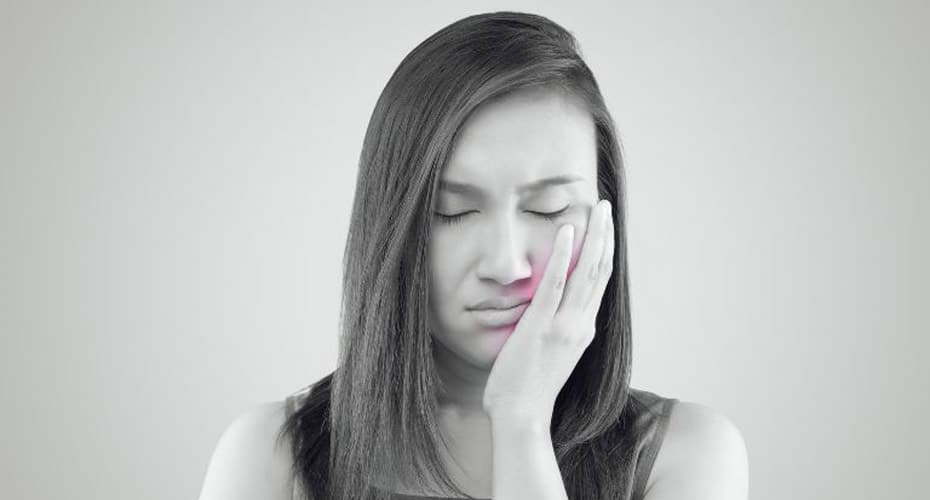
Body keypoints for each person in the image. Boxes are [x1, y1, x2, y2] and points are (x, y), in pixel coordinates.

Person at [198, 11, 748, 500]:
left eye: (549, 208)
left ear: (604, 221)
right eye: (453, 212)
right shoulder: (273, 457)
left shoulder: (686, 455)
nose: (506, 266)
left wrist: (521, 421)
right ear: (391, 223)